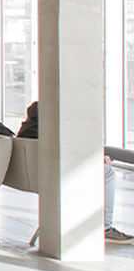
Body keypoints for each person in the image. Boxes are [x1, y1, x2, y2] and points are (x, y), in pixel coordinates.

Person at [17, 101, 132, 244]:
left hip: (31, 176)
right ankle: (104, 227)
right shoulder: (57, 123)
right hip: (53, 177)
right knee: (106, 172)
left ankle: (88, 223)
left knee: (96, 170)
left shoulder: (32, 121)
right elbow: (69, 150)